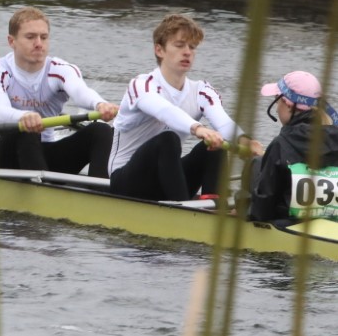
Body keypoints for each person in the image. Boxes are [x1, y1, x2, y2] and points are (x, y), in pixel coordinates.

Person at [107, 13, 261, 202]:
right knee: (168, 139)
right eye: (179, 45)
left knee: (216, 145)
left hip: (166, 180)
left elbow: (224, 123)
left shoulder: (202, 91)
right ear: (159, 50)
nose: (187, 52)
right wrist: (198, 128)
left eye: (192, 47)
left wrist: (246, 142)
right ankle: (184, 210)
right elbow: (165, 111)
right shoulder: (142, 85)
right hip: (126, 182)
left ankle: (211, 204)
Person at [0, 7, 119, 177]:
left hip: (43, 154)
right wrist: (24, 116)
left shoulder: (60, 69)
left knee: (101, 131)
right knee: (27, 131)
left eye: (43, 37)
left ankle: (99, 189)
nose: (38, 44)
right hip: (2, 157)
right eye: (30, 37)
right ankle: (42, 188)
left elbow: (80, 91)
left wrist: (99, 104)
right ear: (12, 41)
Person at [247, 71, 338, 222]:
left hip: (285, 226)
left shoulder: (280, 144)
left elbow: (261, 212)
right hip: (330, 226)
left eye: (277, 100)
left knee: (256, 163)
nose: (277, 108)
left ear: (288, 104)